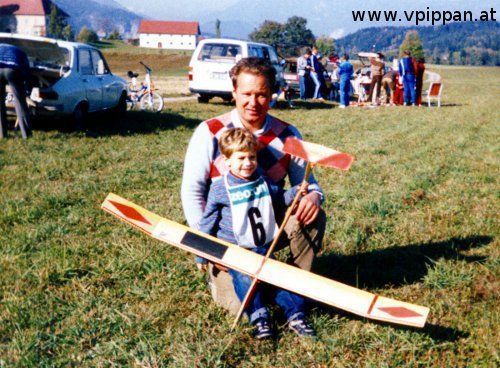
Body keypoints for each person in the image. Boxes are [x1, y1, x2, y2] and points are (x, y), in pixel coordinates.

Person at [181, 57, 326, 315]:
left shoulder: (288, 134)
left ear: (272, 94)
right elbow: (192, 193)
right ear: (234, 92)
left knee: (313, 214)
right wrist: (210, 248)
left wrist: (314, 197)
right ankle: (229, 278)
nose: (253, 102)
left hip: (268, 224)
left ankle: (293, 284)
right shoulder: (210, 132)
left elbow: (309, 184)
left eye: (261, 94)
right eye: (246, 94)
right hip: (229, 236)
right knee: (239, 307)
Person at [196, 127, 316, 338]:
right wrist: (201, 253)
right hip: (236, 252)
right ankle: (259, 317)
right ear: (227, 160)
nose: (248, 163)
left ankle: (296, 315)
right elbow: (207, 223)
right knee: (244, 280)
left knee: (277, 279)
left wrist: (296, 193)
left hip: (262, 247)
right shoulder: (219, 189)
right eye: (241, 158)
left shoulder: (262, 180)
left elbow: (279, 198)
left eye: (252, 157)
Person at [0, 43, 32, 139]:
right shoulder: (21, 53)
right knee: (20, 103)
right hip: (12, 70)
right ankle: (26, 135)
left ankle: (2, 135)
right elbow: (26, 71)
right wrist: (27, 88)